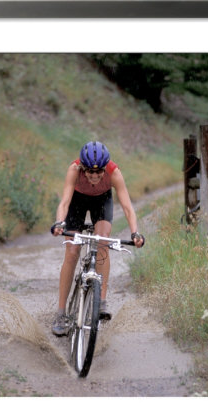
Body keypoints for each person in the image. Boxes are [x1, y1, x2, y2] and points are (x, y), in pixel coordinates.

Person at [51, 141, 145, 336]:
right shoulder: (74, 170)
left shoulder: (114, 173)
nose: (94, 176)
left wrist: (135, 232)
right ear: (83, 168)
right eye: (90, 172)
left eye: (99, 172)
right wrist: (60, 223)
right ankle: (61, 313)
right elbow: (65, 201)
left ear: (105, 168)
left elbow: (127, 207)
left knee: (102, 242)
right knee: (72, 251)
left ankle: (101, 303)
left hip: (102, 201)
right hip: (77, 201)